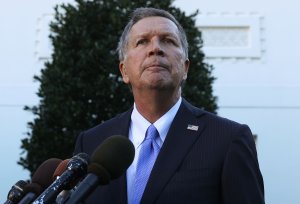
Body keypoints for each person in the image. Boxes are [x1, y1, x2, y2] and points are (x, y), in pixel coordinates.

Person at [73, 7, 264, 204]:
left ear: (185, 68)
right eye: (142, 41)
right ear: (124, 71)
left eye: (168, 40)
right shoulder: (91, 143)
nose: (155, 48)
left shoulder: (227, 139)